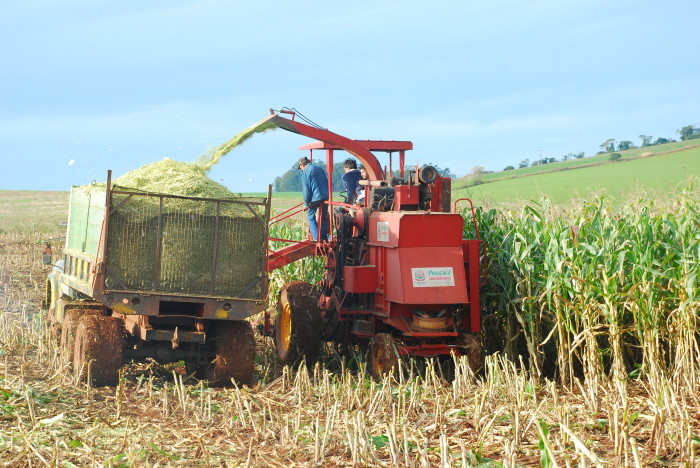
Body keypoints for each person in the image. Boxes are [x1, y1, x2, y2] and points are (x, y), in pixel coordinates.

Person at [298, 156, 329, 241]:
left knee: (311, 217)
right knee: (323, 216)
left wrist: (306, 204)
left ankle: (316, 238)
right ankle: (323, 236)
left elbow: (306, 189)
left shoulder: (305, 172)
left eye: (300, 167)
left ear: (301, 165)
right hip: (325, 196)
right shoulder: (319, 169)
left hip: (315, 198)